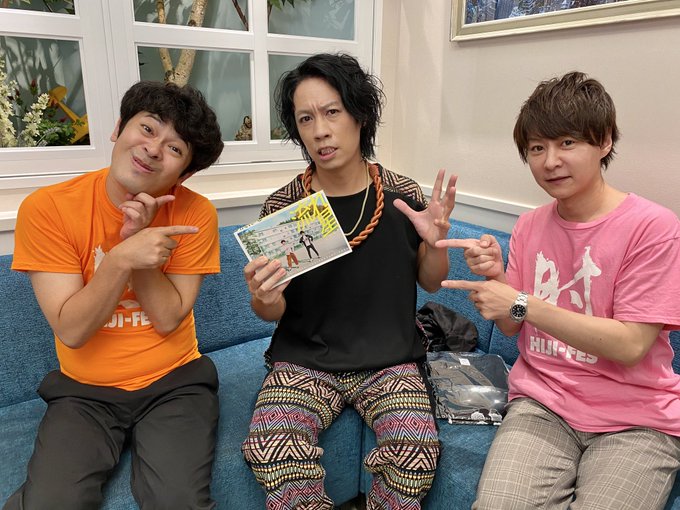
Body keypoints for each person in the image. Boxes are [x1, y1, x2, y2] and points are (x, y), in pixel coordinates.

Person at [438, 72, 680, 510]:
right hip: (542, 404)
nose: (550, 161)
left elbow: (630, 346)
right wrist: (497, 279)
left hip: (637, 420)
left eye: (567, 142)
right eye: (537, 148)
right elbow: (512, 328)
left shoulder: (653, 228)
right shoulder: (530, 224)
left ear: (604, 141)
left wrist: (519, 301)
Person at [241, 53, 457, 509]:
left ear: (360, 115)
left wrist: (436, 243)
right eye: (306, 118)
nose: (320, 130)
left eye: (332, 112)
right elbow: (269, 311)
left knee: (416, 454)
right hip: (305, 360)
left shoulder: (403, 196)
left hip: (389, 359)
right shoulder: (283, 209)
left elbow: (431, 282)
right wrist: (263, 295)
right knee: (271, 446)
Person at [5, 81, 224, 510]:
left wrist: (141, 246)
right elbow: (72, 330)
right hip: (83, 392)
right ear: (119, 128)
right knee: (52, 503)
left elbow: (168, 319)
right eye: (147, 128)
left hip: (176, 383)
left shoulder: (196, 214)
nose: (153, 149)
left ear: (184, 174)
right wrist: (121, 257)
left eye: (175, 148)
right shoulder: (47, 209)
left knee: (177, 502)